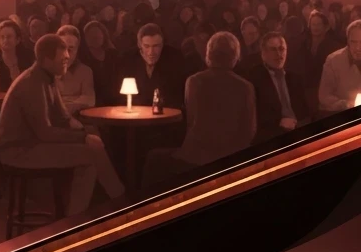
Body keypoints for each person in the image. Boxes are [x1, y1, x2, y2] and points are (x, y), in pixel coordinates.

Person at [0, 33, 124, 215]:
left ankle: (94, 209)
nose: (67, 59)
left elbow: (64, 118)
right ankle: (106, 207)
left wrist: (88, 132)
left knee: (92, 148)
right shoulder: (32, 83)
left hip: (32, 144)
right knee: (90, 155)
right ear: (47, 59)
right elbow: (45, 133)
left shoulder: (47, 77)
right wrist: (84, 137)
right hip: (18, 151)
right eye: (62, 58)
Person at [141, 31, 256, 192]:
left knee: (154, 158)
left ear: (208, 54)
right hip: (234, 157)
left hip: (197, 157)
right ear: (235, 56)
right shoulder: (246, 87)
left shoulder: (195, 81)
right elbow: (250, 130)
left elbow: (192, 122)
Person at [246, 31, 306, 142]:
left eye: (282, 49)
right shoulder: (254, 78)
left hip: (298, 130)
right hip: (271, 134)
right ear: (263, 54)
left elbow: (304, 110)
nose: (279, 54)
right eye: (273, 50)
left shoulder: (295, 76)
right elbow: (255, 115)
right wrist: (279, 122)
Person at [115, 22, 187, 108]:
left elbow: (179, 96)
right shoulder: (127, 60)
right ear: (139, 45)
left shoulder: (175, 59)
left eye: (156, 46)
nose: (151, 52)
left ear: (162, 45)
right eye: (146, 46)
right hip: (136, 115)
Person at [298, 9, 341, 116]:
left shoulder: (333, 46)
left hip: (326, 90)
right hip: (307, 90)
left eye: (318, 24)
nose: (315, 27)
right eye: (313, 24)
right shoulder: (305, 44)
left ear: (325, 27)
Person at [56, 24, 95, 117]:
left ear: (77, 49)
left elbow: (89, 100)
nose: (67, 53)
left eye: (71, 48)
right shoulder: (47, 70)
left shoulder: (85, 72)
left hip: (79, 119)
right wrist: (75, 100)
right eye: (63, 47)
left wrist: (61, 104)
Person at [0, 19, 33, 92]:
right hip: (0, 101)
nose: (5, 40)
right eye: (2, 37)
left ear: (17, 40)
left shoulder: (28, 57)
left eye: (9, 37)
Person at [81, 18, 118, 104]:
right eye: (92, 34)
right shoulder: (83, 57)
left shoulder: (112, 54)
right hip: (93, 100)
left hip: (113, 100)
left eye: (98, 34)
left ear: (104, 35)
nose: (96, 37)